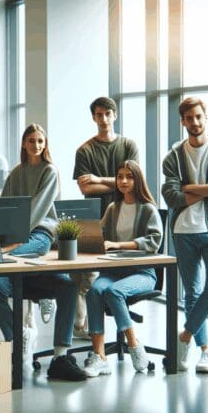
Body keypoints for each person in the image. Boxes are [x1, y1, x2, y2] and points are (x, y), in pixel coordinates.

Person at [0, 123, 85, 381]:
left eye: (40, 141)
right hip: (13, 240)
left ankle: (61, 355)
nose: (36, 145)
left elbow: (36, 211)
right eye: (32, 141)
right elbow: (4, 206)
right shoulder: (15, 173)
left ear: (45, 144)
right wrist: (0, 237)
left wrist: (12, 244)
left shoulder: (50, 171)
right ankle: (17, 334)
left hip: (39, 236)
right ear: (24, 144)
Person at [161, 97, 208, 374]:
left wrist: (189, 189)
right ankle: (205, 352)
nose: (194, 123)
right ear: (182, 121)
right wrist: (206, 185)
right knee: (191, 292)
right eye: (189, 118)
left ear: (206, 117)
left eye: (198, 117)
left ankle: (185, 337)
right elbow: (171, 196)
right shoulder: (173, 157)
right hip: (183, 231)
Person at [83, 160, 163, 377]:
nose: (124, 181)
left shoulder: (148, 209)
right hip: (113, 271)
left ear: (138, 180)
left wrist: (118, 244)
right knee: (95, 292)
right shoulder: (113, 208)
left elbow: (154, 241)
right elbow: (98, 234)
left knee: (114, 291)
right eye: (120, 176)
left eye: (129, 176)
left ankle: (134, 345)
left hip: (141, 273)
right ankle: (99, 357)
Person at [70, 96, 141, 338]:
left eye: (107, 114)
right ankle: (89, 324)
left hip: (126, 217)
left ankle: (102, 322)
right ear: (93, 117)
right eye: (98, 114)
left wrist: (100, 179)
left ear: (115, 115)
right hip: (92, 217)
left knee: (115, 272)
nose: (103, 119)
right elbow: (86, 189)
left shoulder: (129, 145)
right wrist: (119, 183)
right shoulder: (85, 150)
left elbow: (133, 182)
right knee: (88, 273)